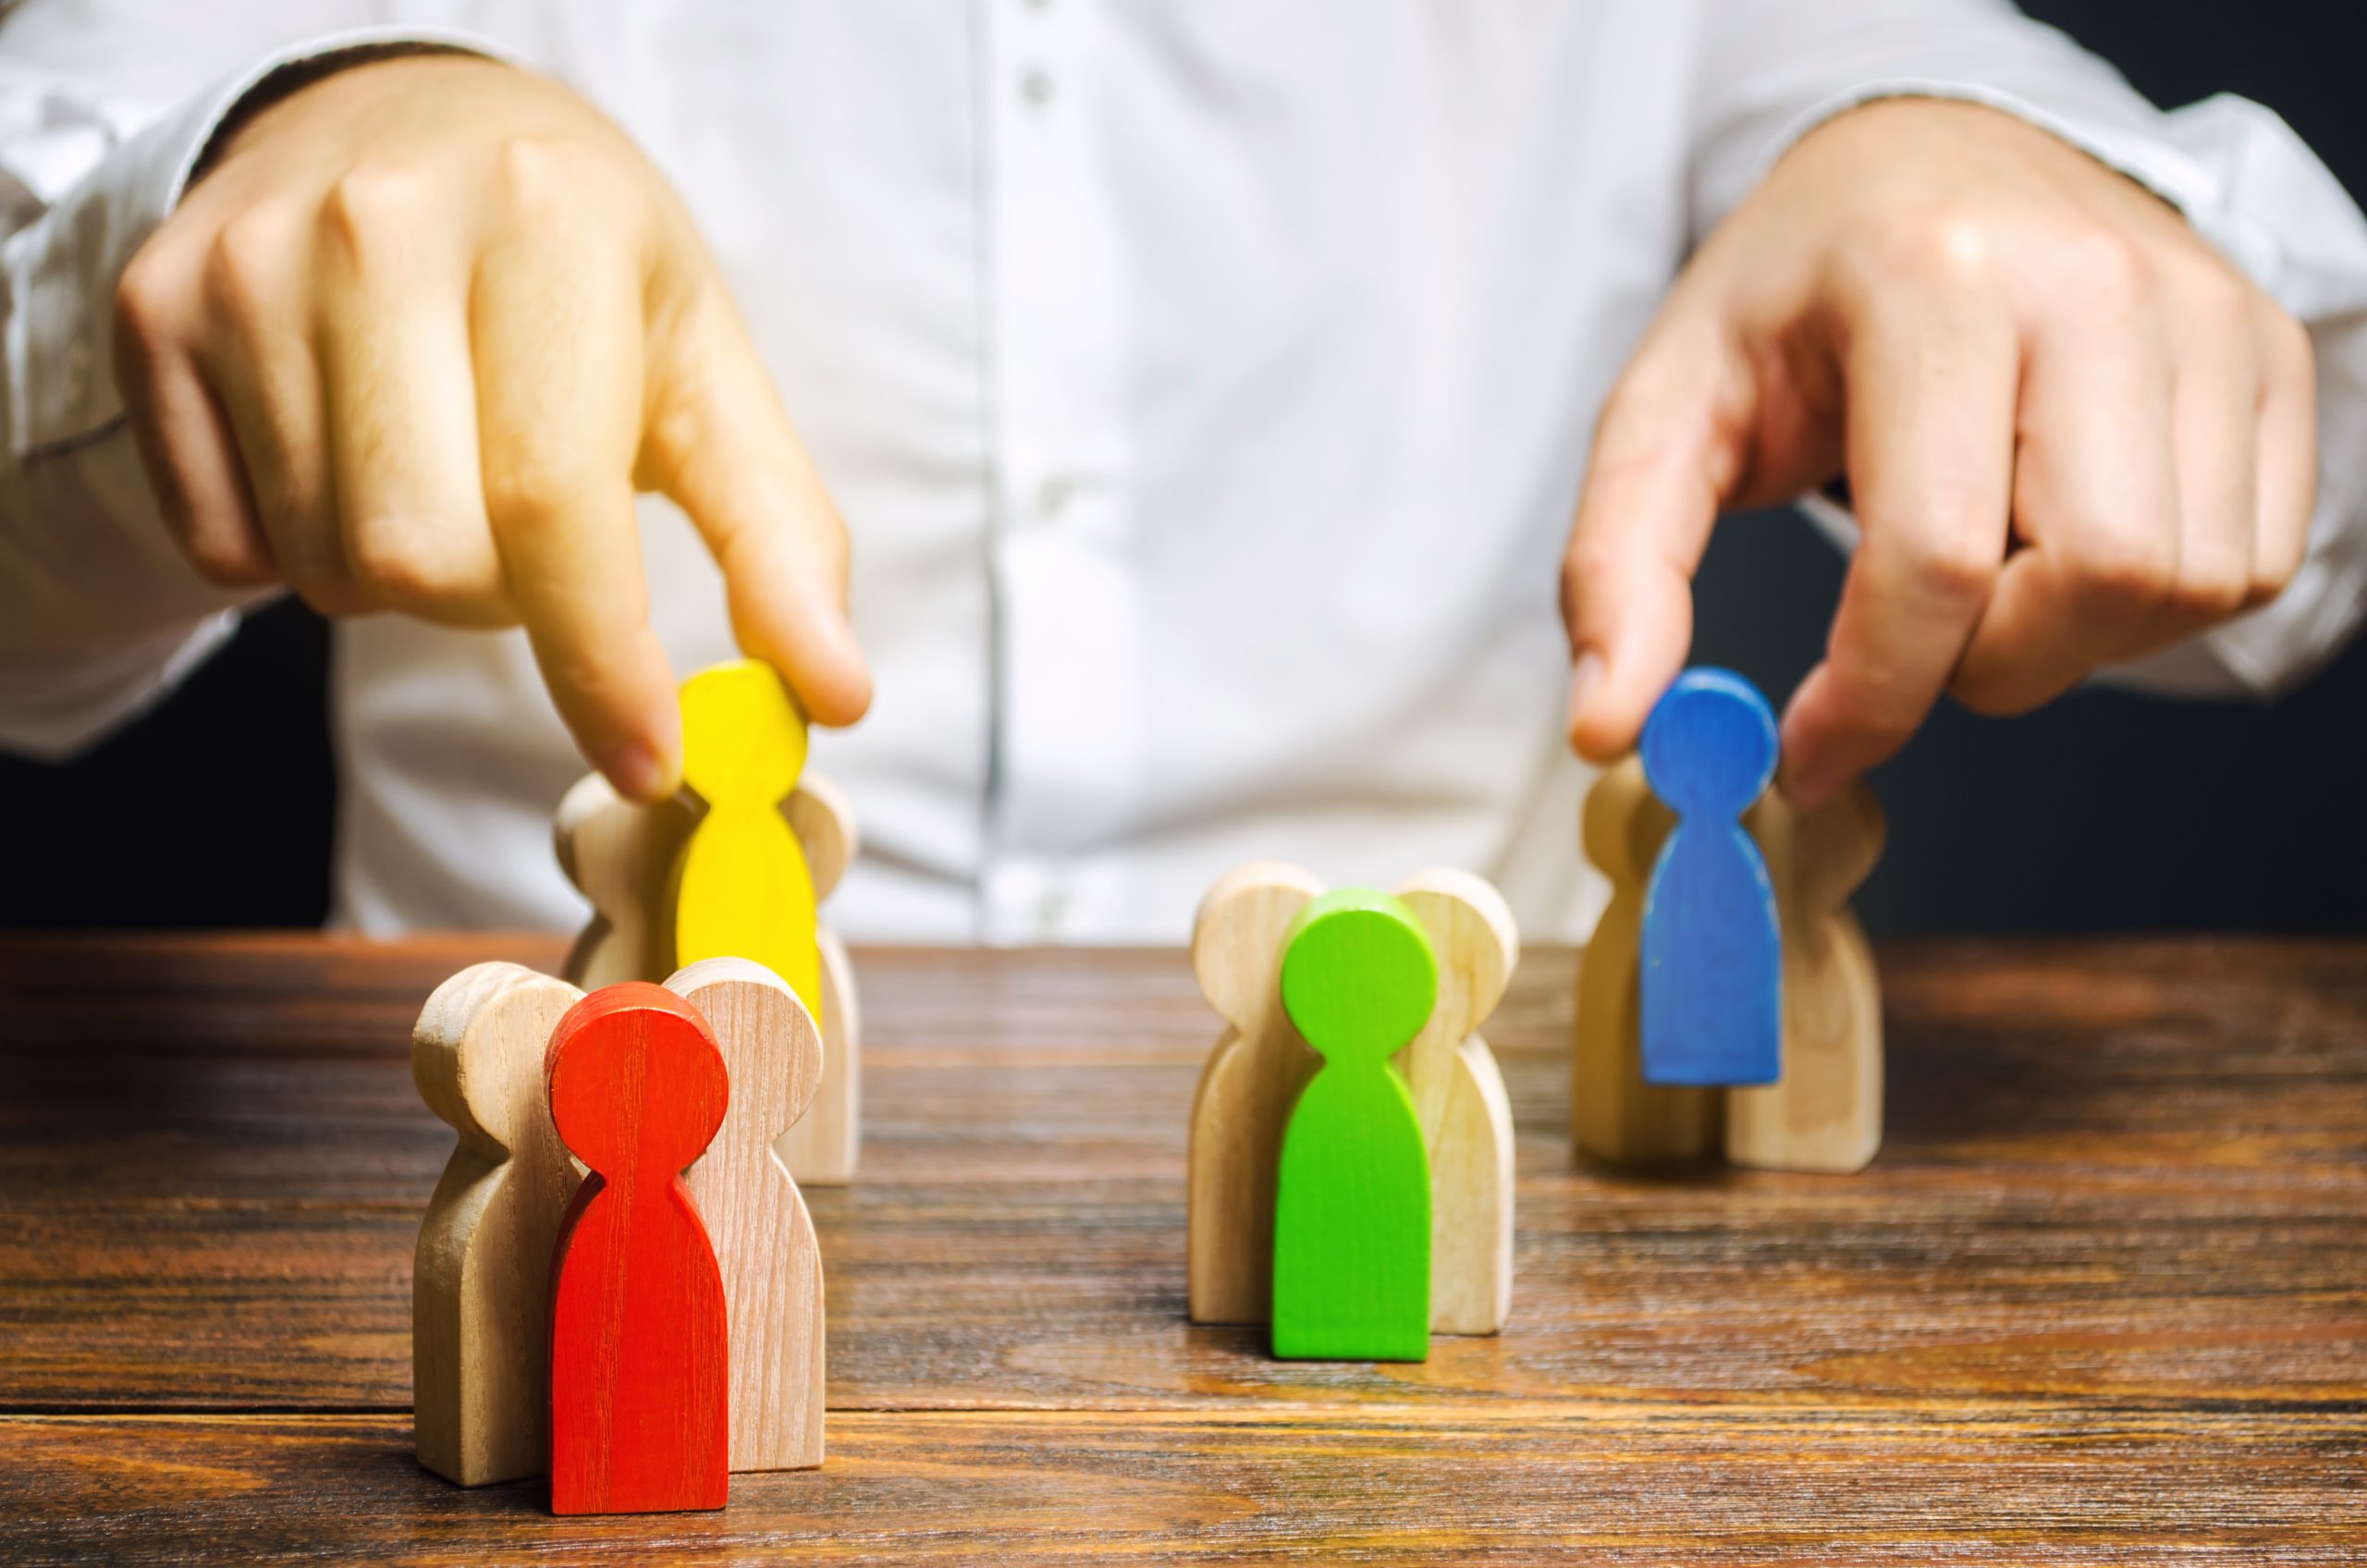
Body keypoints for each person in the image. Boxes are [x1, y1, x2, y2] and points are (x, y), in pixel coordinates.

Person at [1, 3, 2361, 943]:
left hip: (1495, 1269)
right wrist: (266, 151)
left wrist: (2033, 200)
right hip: (461, 1110)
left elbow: (2305, 495)